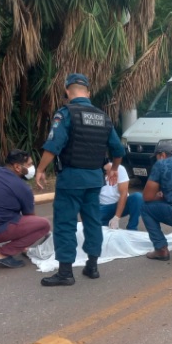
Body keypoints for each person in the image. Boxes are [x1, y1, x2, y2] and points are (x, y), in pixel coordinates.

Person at [35, 73, 125, 286]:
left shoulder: (66, 114)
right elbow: (118, 149)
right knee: (92, 221)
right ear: (88, 93)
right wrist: (114, 169)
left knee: (65, 223)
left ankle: (65, 273)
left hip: (71, 179)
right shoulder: (103, 117)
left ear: (67, 91)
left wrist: (40, 169)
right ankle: (92, 266)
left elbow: (53, 145)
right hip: (94, 180)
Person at [99, 160, 142, 230]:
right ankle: (104, 223)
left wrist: (117, 217)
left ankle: (132, 228)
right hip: (102, 208)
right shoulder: (92, 170)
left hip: (118, 205)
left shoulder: (120, 169)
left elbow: (123, 193)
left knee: (138, 198)